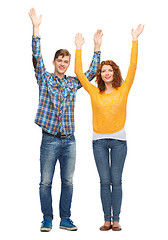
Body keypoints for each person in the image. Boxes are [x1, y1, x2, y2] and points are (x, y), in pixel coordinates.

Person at [28, 8, 103, 232]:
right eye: (60, 60)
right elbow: (36, 57)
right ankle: (47, 218)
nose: (63, 63)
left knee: (68, 182)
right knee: (45, 182)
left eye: (66, 61)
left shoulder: (72, 83)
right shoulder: (44, 78)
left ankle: (65, 219)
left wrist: (96, 48)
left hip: (69, 140)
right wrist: (36, 29)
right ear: (54, 62)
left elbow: (90, 72)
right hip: (49, 139)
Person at [75, 24, 144, 231]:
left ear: (115, 72)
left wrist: (134, 40)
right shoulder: (94, 92)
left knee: (117, 181)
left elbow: (133, 66)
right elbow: (79, 72)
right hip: (98, 142)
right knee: (105, 182)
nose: (106, 73)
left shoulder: (123, 89)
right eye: (103, 71)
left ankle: (117, 220)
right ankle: (107, 219)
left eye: (109, 70)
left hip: (119, 142)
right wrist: (80, 48)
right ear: (100, 74)